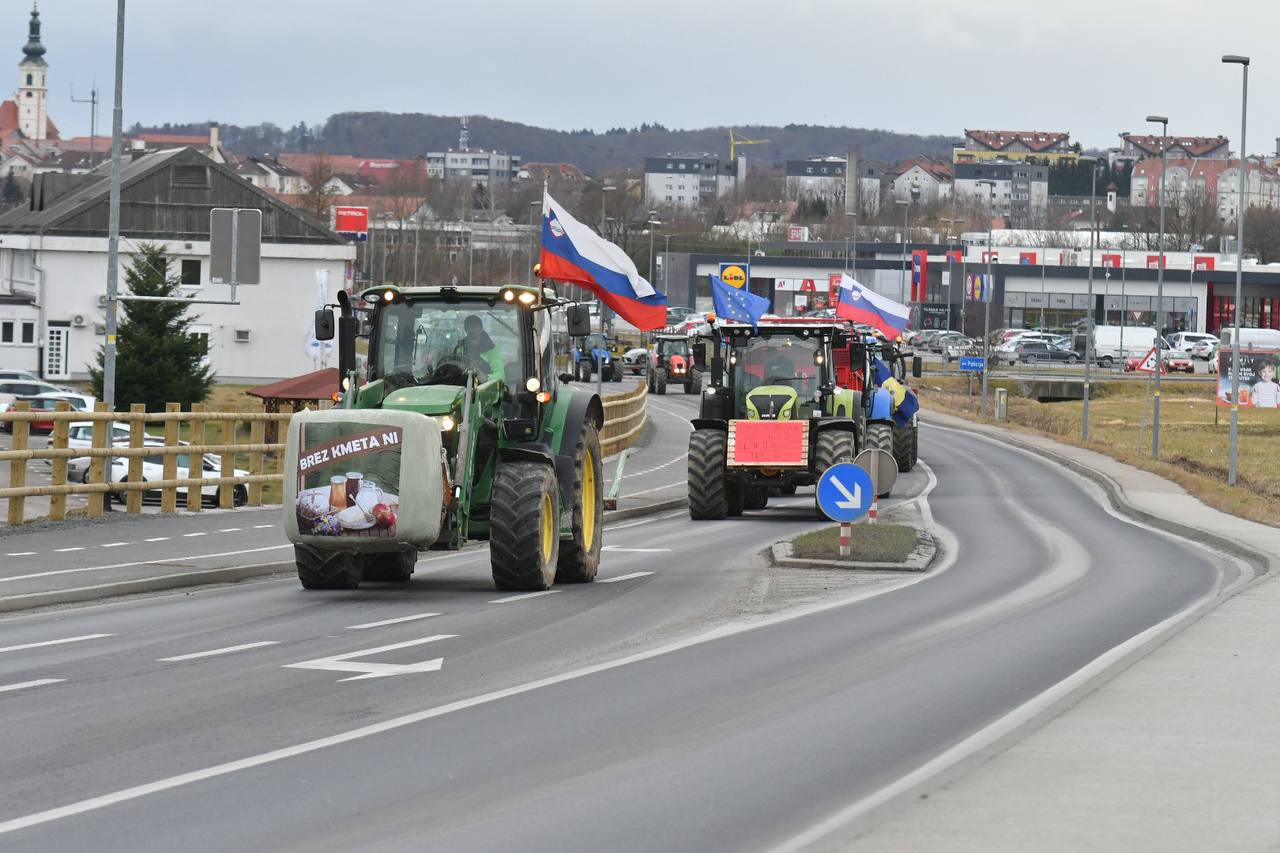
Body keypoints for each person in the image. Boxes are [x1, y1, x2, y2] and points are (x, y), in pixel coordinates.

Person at [459, 315, 504, 381]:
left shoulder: (491, 348)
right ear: (465, 330)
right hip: (461, 385)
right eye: (468, 328)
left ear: (481, 328)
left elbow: (501, 374)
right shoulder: (460, 347)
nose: (471, 330)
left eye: (474, 327)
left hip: (486, 388)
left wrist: (486, 377)